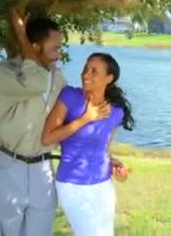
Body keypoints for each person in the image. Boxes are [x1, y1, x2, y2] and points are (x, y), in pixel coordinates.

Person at [0, 9, 66, 236]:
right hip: (10, 166)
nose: (59, 55)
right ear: (35, 47)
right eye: (55, 48)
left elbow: (65, 123)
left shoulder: (58, 78)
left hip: (43, 169)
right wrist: (22, 36)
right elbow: (36, 84)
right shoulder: (0, 73)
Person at [41, 52, 134, 236]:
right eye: (85, 69)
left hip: (102, 185)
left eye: (94, 71)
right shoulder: (69, 97)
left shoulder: (115, 112)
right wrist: (85, 118)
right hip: (73, 184)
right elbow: (47, 138)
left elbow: (104, 149)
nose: (85, 75)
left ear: (109, 78)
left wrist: (114, 164)